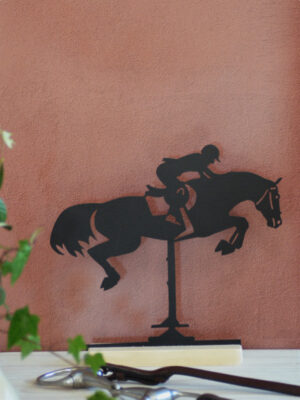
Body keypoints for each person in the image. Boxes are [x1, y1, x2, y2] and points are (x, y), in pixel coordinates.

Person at [146, 144, 220, 232]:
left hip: (166, 170)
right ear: (208, 156)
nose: (212, 162)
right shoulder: (200, 161)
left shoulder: (198, 158)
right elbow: (210, 175)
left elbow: (203, 174)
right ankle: (171, 215)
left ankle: (157, 192)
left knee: (178, 189)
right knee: (180, 192)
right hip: (165, 171)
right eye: (212, 159)